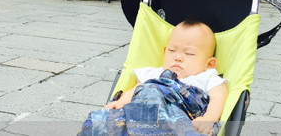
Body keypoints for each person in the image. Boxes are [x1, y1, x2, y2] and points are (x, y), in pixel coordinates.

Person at [80, 21, 227, 136]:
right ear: (164, 51)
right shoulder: (155, 73)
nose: (178, 57)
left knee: (151, 94)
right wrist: (120, 102)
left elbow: (218, 97)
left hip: (180, 112)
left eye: (189, 54)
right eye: (171, 50)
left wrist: (209, 119)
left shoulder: (206, 76)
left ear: (210, 64)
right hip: (141, 111)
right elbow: (136, 89)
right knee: (99, 120)